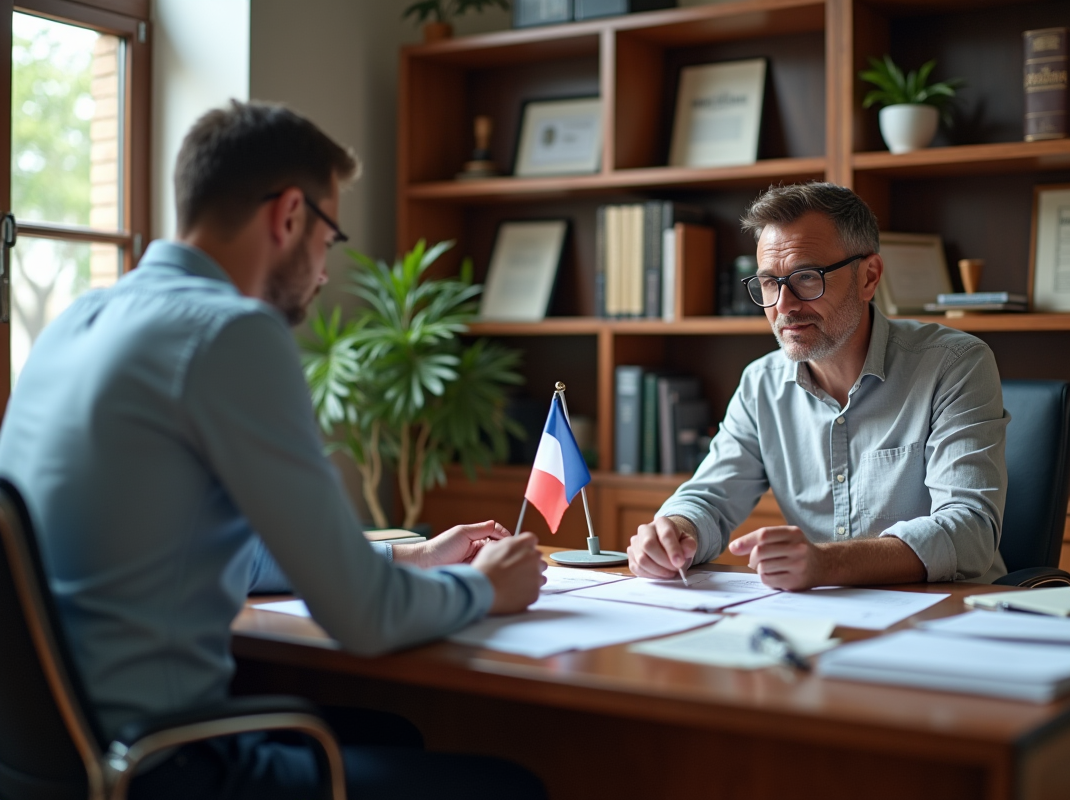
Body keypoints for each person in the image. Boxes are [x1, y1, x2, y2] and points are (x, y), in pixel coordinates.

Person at [0, 100, 547, 799]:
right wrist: (486, 586)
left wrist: (406, 554)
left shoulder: (75, 321)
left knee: (395, 734)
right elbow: (365, 619)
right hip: (167, 767)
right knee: (509, 786)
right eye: (329, 239)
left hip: (53, 761)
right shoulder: (230, 333)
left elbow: (188, 544)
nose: (323, 271)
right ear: (290, 216)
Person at [627, 182, 1009, 590]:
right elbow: (711, 499)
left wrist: (828, 564)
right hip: (822, 616)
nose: (784, 306)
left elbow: (969, 531)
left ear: (869, 277)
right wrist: (674, 532)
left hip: (951, 616)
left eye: (806, 278)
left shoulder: (954, 364)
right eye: (769, 283)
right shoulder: (762, 384)